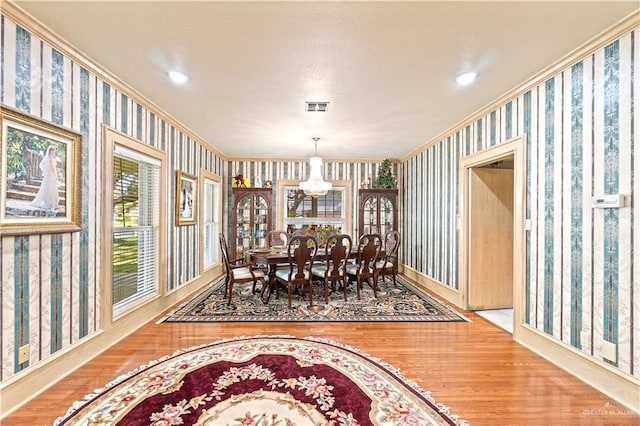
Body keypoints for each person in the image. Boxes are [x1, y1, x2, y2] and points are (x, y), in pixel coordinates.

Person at [31, 145, 59, 210]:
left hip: (48, 175)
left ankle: (50, 203)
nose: (54, 152)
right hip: (51, 175)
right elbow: (53, 168)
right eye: (53, 151)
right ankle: (51, 203)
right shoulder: (51, 159)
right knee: (51, 188)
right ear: (50, 151)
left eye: (54, 151)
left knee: (48, 188)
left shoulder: (48, 158)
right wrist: (56, 176)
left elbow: (41, 165)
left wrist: (45, 171)